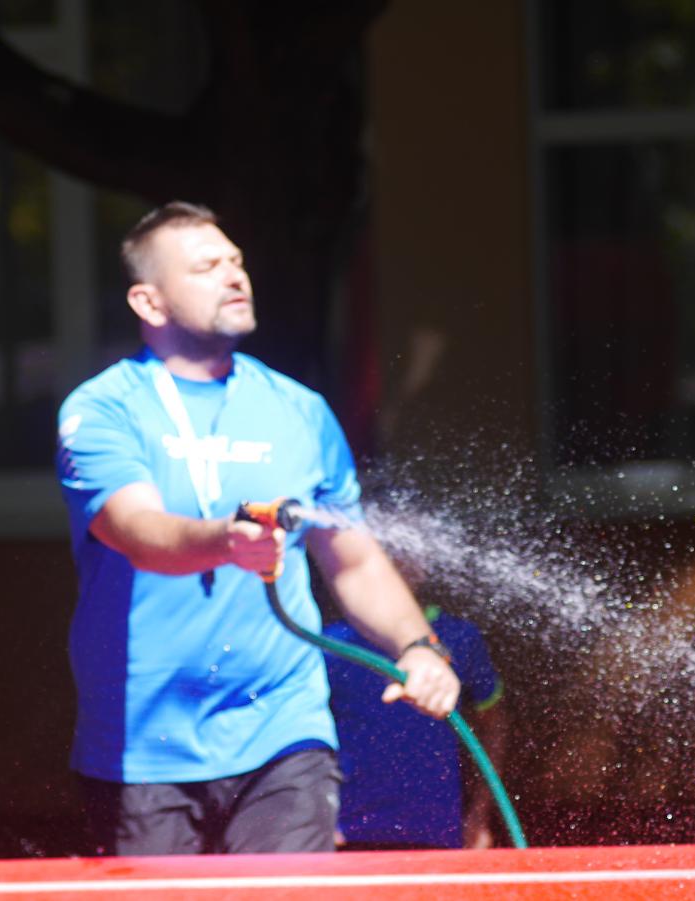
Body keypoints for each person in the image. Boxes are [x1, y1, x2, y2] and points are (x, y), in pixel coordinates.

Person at [55, 201, 460, 856]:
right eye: (206, 266)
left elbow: (353, 559)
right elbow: (136, 531)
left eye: (236, 260)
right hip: (144, 744)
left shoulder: (300, 410)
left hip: (284, 731)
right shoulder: (102, 409)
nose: (233, 274)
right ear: (149, 302)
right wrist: (225, 540)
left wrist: (418, 646)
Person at [325, 605, 508, 850]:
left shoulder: (460, 635)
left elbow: (493, 725)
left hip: (436, 832)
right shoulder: (333, 641)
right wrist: (317, 818)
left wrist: (479, 815)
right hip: (347, 831)